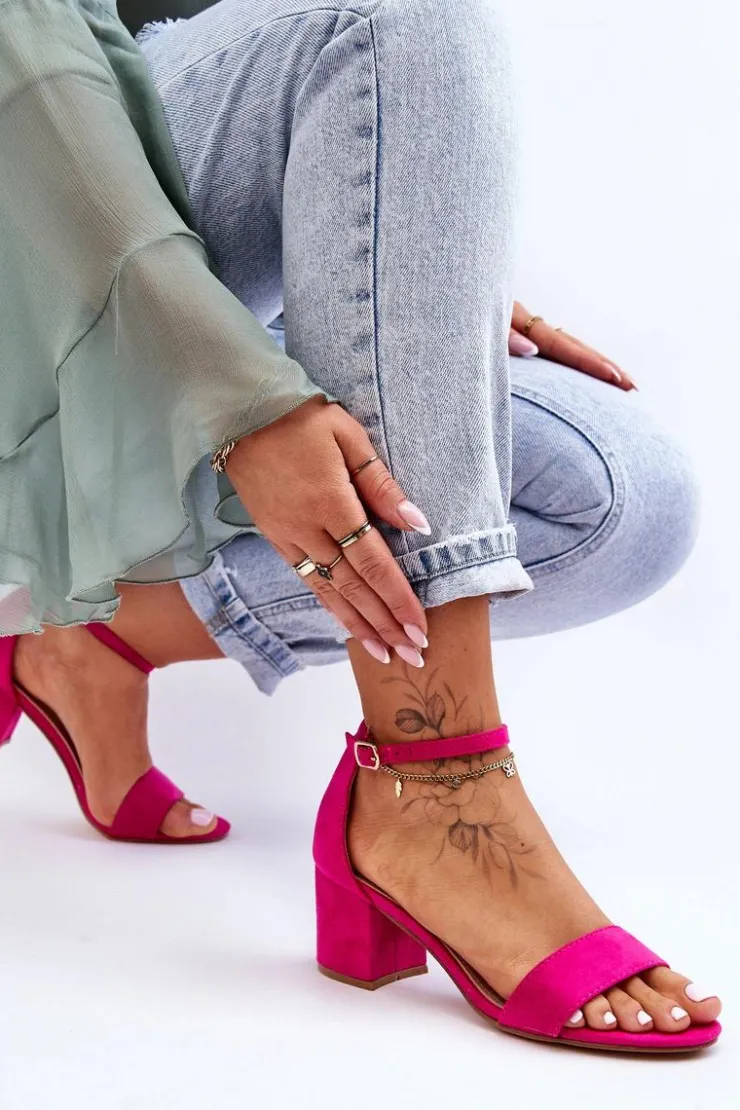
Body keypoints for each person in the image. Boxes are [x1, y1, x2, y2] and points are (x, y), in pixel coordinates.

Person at [0, 0, 722, 1050]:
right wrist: (231, 387)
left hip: (135, 151)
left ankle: (94, 635)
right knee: (387, 16)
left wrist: (408, 252)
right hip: (33, 166)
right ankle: (436, 784)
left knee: (623, 501)